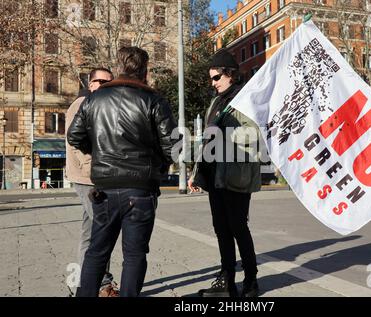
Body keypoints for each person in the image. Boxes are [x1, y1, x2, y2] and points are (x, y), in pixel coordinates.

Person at [67, 47, 177, 297]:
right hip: (140, 189)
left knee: (96, 251)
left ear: (118, 67)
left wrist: (99, 154)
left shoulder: (94, 99)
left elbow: (74, 136)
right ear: (145, 70)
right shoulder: (154, 100)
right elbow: (173, 147)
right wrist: (156, 166)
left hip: (104, 188)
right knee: (135, 254)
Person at [188, 50, 261, 297]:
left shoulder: (244, 99)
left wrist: (222, 135)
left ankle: (251, 280)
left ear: (231, 74)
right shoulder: (217, 101)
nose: (213, 82)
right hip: (215, 174)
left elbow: (254, 135)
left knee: (238, 227)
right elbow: (207, 139)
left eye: (217, 77)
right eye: (211, 78)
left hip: (236, 173)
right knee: (221, 228)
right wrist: (196, 172)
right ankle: (227, 281)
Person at [65, 67, 118, 297]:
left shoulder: (96, 104)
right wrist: (93, 171)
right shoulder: (81, 104)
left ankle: (79, 285)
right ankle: (102, 284)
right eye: (100, 81)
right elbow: (76, 143)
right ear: (91, 84)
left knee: (89, 232)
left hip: (90, 176)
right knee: (103, 230)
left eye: (109, 82)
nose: (105, 85)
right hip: (88, 179)